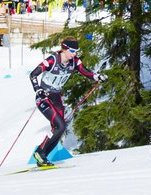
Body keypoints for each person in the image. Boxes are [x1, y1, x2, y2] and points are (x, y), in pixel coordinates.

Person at [28, 37, 106, 167]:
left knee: (60, 128)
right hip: (44, 97)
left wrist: (97, 77)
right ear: (64, 49)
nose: (74, 54)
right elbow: (33, 74)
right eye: (72, 50)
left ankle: (42, 156)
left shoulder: (74, 61)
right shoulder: (52, 60)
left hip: (56, 97)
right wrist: (38, 90)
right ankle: (40, 153)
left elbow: (85, 72)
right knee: (60, 125)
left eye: (76, 51)